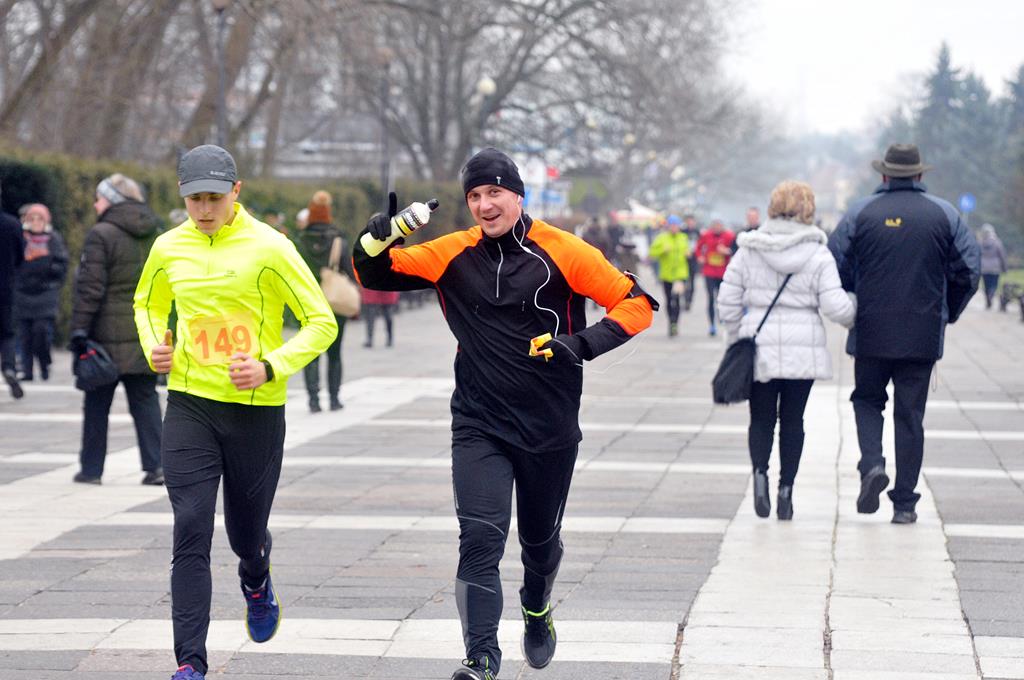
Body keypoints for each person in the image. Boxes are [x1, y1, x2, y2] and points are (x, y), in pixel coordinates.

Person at [353, 147, 657, 680]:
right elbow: (374, 273)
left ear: (518, 195)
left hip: (548, 427)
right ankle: (481, 657)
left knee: (539, 547)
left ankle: (536, 608)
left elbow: (637, 304)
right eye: (474, 195)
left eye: (494, 192)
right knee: (479, 538)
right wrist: (376, 236)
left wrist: (578, 345)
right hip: (479, 424)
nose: (484, 205)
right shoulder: (452, 252)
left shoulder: (564, 250)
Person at [133, 145, 337, 680]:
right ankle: (190, 661)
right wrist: (155, 345)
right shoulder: (167, 247)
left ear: (236, 192)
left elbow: (321, 321)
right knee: (191, 524)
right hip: (189, 404)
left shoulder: (272, 247)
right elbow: (147, 304)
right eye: (194, 199)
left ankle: (256, 577)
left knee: (246, 535)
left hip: (254, 412)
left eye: (214, 198)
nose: (204, 209)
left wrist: (271, 366)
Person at [829, 144, 980, 524]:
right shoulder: (944, 214)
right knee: (910, 416)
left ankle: (872, 464)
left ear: (884, 174)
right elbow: (968, 271)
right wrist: (947, 313)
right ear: (919, 174)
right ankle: (905, 504)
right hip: (922, 331)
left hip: (871, 330)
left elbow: (834, 265)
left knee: (867, 400)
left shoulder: (860, 213)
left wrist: (854, 297)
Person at [718, 181, 856, 519]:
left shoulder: (749, 249)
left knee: (761, 418)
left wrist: (737, 337)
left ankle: (760, 476)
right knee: (793, 420)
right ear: (808, 208)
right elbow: (836, 308)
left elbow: (727, 302)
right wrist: (855, 308)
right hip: (803, 349)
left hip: (759, 345)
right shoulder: (818, 253)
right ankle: (786, 491)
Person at [70, 174, 164, 485]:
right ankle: (157, 466)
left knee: (97, 404)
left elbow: (90, 288)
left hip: (105, 336)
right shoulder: (155, 232)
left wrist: (79, 331)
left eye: (99, 198)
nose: (95, 205)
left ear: (111, 199)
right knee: (146, 400)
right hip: (144, 330)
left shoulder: (101, 234)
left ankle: (91, 470)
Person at [295, 190, 351, 412]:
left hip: (307, 302)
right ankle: (334, 399)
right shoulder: (339, 240)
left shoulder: (299, 241)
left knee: (310, 353)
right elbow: (349, 270)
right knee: (335, 353)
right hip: (334, 302)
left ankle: (313, 400)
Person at [14, 203, 68, 381]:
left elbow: (62, 264)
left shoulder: (53, 239)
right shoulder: (21, 238)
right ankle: (27, 370)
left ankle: (45, 363)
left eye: (40, 218)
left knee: (41, 331)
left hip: (45, 293)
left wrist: (50, 270)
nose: (36, 222)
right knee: (25, 335)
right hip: (23, 292)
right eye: (33, 218)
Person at [648, 214, 690, 336]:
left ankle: (675, 323)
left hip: (680, 275)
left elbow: (688, 250)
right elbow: (652, 253)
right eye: (672, 225)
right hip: (666, 275)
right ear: (668, 226)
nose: (674, 227)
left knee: (676, 299)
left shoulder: (683, 237)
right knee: (668, 299)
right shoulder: (662, 238)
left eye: (676, 225)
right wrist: (662, 250)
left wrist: (688, 253)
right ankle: (670, 321)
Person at [0, 184, 23, 399]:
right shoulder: (12, 224)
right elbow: (20, 256)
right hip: (5, 287)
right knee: (7, 333)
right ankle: (9, 367)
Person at [695, 217, 734, 336]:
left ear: (722, 226)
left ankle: (721, 316)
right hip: (709, 272)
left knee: (721, 298)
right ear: (712, 227)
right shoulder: (706, 235)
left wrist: (727, 251)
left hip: (723, 272)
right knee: (711, 297)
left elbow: (734, 249)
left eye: (719, 226)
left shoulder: (729, 236)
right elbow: (698, 248)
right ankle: (712, 324)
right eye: (715, 226)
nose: (717, 228)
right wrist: (700, 257)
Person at [979, 223, 1007, 309]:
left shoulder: (981, 243)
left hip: (984, 267)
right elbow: (1002, 255)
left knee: (986, 284)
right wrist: (1004, 268)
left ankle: (988, 297)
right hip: (995, 267)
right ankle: (991, 295)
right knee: (994, 284)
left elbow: (977, 254)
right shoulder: (997, 242)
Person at [681, 214, 701, 311]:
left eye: (691, 221)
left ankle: (689, 301)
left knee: (692, 282)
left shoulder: (697, 232)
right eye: (688, 221)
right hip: (683, 260)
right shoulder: (682, 232)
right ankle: (685, 299)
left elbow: (701, 245)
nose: (690, 223)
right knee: (684, 282)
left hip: (694, 260)